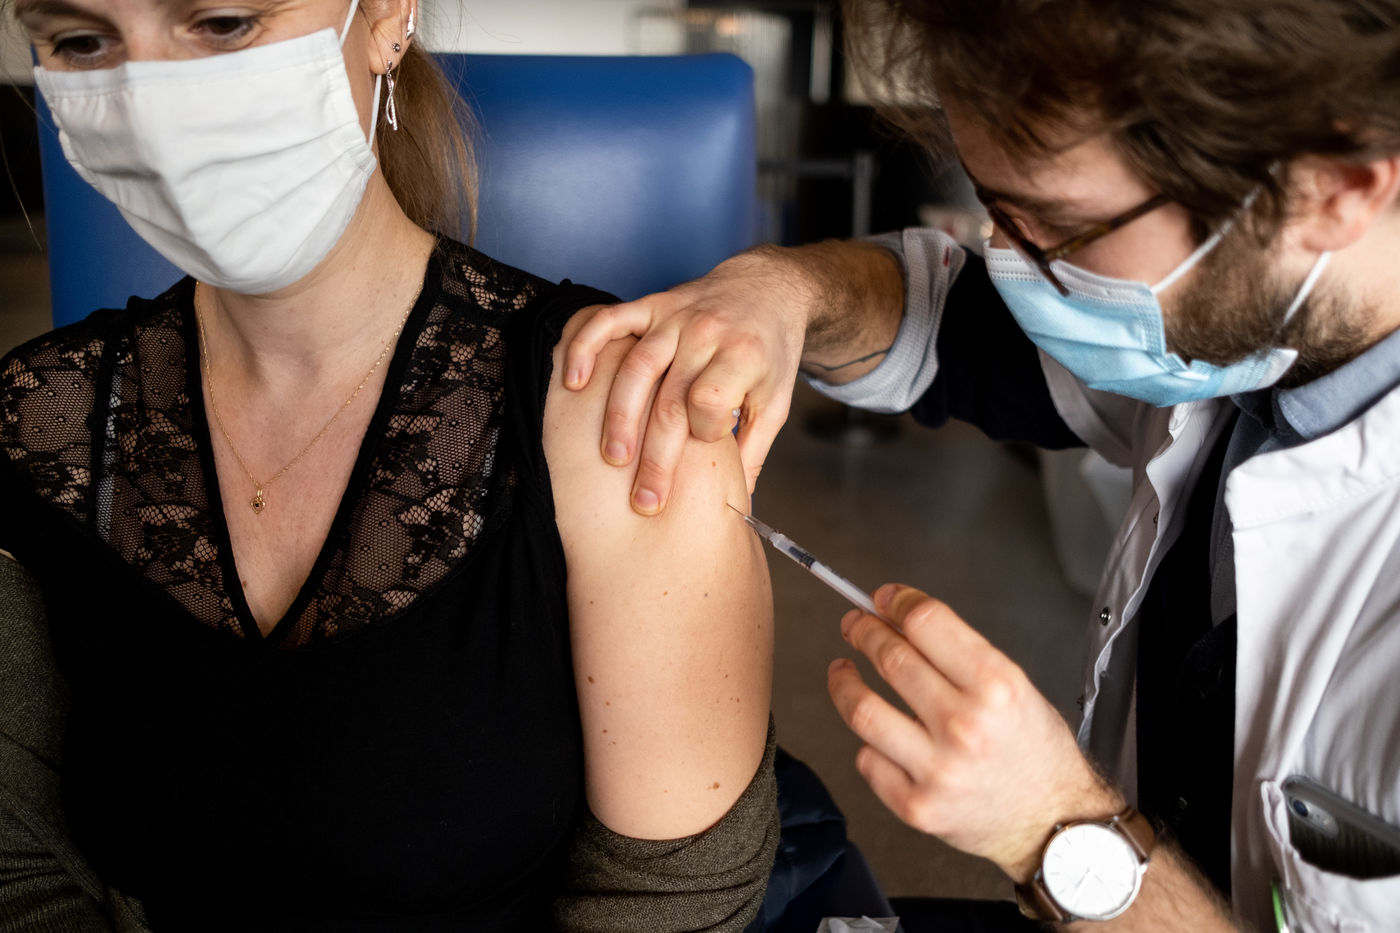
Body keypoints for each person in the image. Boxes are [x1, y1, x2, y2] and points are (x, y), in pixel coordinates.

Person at [563, 0, 1400, 928]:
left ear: (1336, 191)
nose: (1009, 260)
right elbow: (952, 328)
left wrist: (1055, 827)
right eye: (993, 207)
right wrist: (784, 290)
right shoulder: (1237, 324)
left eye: (1058, 230)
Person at [0, 1, 777, 930]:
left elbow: (676, 898)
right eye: (82, 41)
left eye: (224, 21)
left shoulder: (617, 419)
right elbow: (14, 860)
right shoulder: (39, 421)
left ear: (385, 17)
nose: (152, 97)